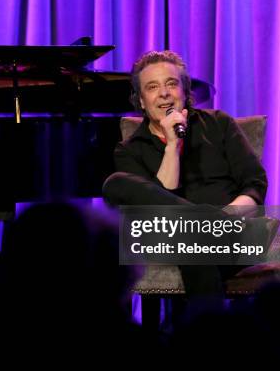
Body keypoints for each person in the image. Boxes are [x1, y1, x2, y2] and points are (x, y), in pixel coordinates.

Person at [103, 50, 269, 299]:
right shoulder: (130, 149)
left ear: (185, 91)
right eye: (152, 87)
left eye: (171, 84)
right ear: (140, 100)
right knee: (116, 183)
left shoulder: (219, 124)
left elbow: (254, 184)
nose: (164, 93)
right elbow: (153, 211)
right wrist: (172, 145)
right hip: (170, 236)